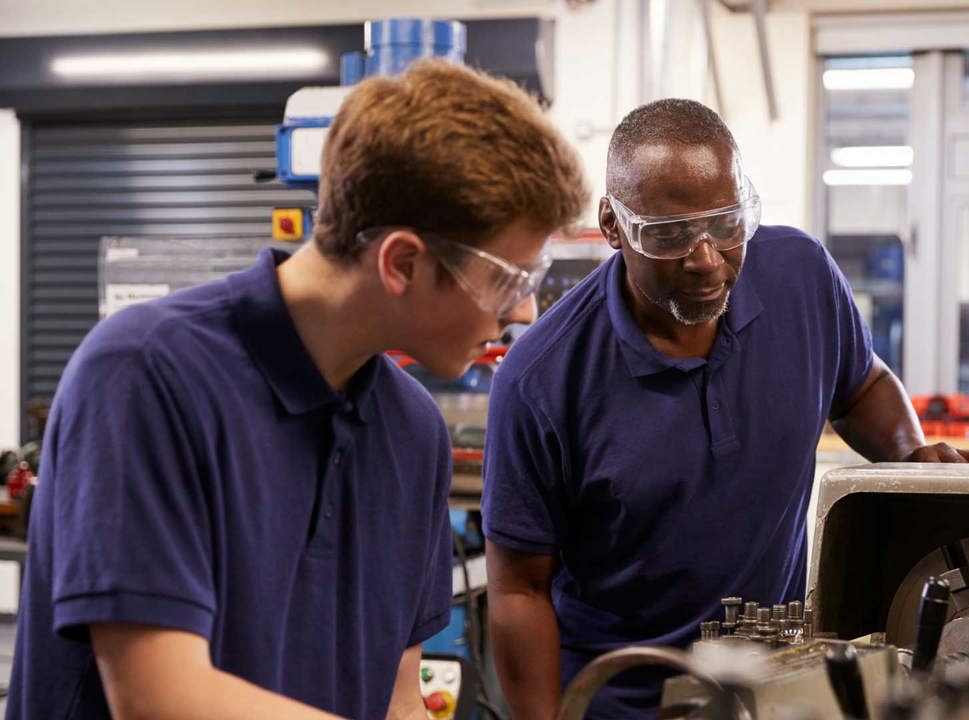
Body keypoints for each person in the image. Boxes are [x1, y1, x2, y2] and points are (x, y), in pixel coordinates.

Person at [6, 59, 587, 720]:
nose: (524, 313)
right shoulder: (145, 374)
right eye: (510, 278)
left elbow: (399, 696)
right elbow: (158, 697)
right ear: (402, 262)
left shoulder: (413, 432)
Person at [482, 99, 969, 719]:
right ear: (613, 226)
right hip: (624, 702)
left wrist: (908, 453)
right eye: (669, 235)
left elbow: (862, 383)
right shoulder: (542, 378)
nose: (706, 259)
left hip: (775, 688)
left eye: (726, 223)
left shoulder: (800, 276)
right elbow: (519, 589)